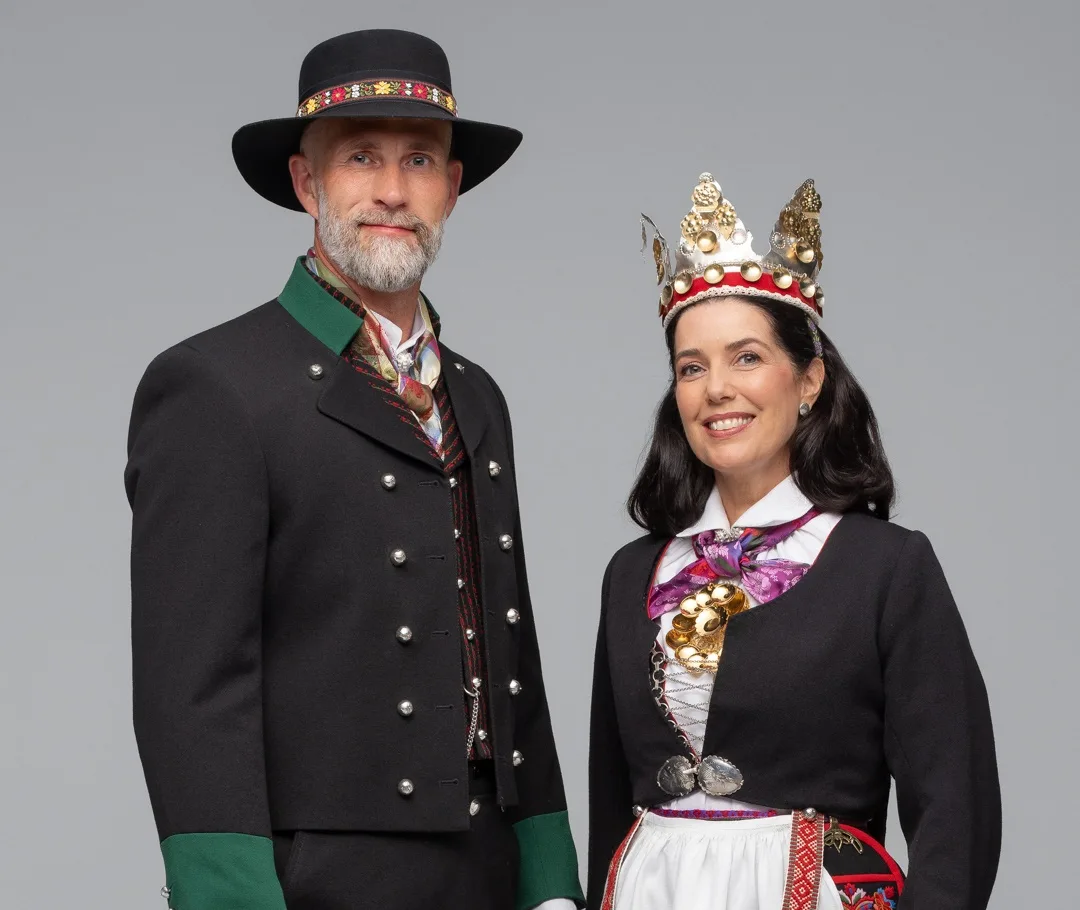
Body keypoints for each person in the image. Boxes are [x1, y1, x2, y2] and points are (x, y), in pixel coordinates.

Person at [125, 28, 583, 910]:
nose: (391, 191)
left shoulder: (478, 396)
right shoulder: (214, 385)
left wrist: (549, 878)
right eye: (360, 157)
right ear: (307, 182)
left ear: (452, 188)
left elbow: (510, 649)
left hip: (488, 871)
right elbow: (193, 691)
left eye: (419, 160)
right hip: (319, 880)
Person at [587, 173, 1001, 910]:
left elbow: (956, 811)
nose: (716, 389)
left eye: (746, 357)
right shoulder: (632, 576)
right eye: (691, 367)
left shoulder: (886, 569)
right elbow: (608, 802)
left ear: (808, 380)